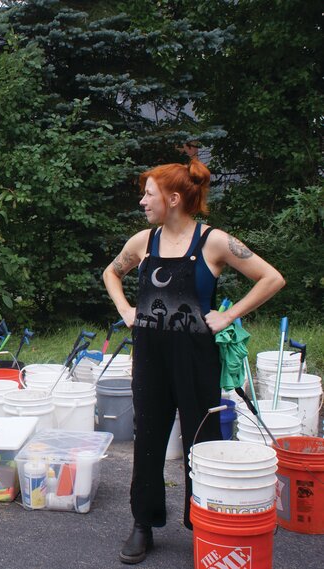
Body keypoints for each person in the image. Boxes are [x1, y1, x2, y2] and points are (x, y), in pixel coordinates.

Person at [102, 158, 284, 564]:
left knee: (202, 441)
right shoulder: (142, 242)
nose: (142, 201)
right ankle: (142, 525)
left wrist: (229, 314)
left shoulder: (213, 242)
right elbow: (111, 274)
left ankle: (203, 521)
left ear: (174, 198)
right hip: (150, 356)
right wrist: (126, 310)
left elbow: (271, 278)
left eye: (149, 193)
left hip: (196, 358)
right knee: (148, 439)